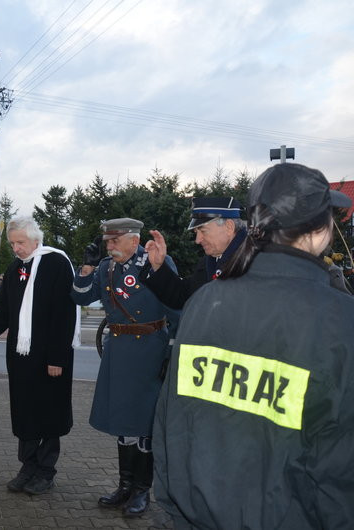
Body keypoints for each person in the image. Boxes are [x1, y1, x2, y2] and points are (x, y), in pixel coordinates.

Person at [154, 163, 354, 529]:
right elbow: (338, 466)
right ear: (319, 230)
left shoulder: (207, 300)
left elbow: (170, 423)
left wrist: (173, 506)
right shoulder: (340, 321)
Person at [71, 218, 176, 517]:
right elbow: (79, 296)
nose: (109, 246)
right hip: (118, 351)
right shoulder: (106, 266)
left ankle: (142, 491)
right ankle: (125, 485)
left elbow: (175, 306)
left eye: (114, 241)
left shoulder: (156, 261)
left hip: (149, 350)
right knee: (123, 422)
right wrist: (87, 269)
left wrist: (171, 352)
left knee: (143, 425)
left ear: (134, 239)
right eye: (107, 241)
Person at [0, 216, 79, 495]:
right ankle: (27, 466)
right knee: (25, 411)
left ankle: (46, 471)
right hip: (21, 355)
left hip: (50, 356)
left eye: (21, 242)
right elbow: (4, 310)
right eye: (12, 243)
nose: (16, 248)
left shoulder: (57, 264)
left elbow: (64, 315)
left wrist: (57, 359)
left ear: (36, 239)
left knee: (49, 413)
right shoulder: (16, 268)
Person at [140, 197, 246, 308]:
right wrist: (158, 266)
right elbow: (185, 296)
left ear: (229, 227)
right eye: (196, 232)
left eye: (203, 231)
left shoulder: (253, 263)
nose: (197, 240)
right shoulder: (211, 260)